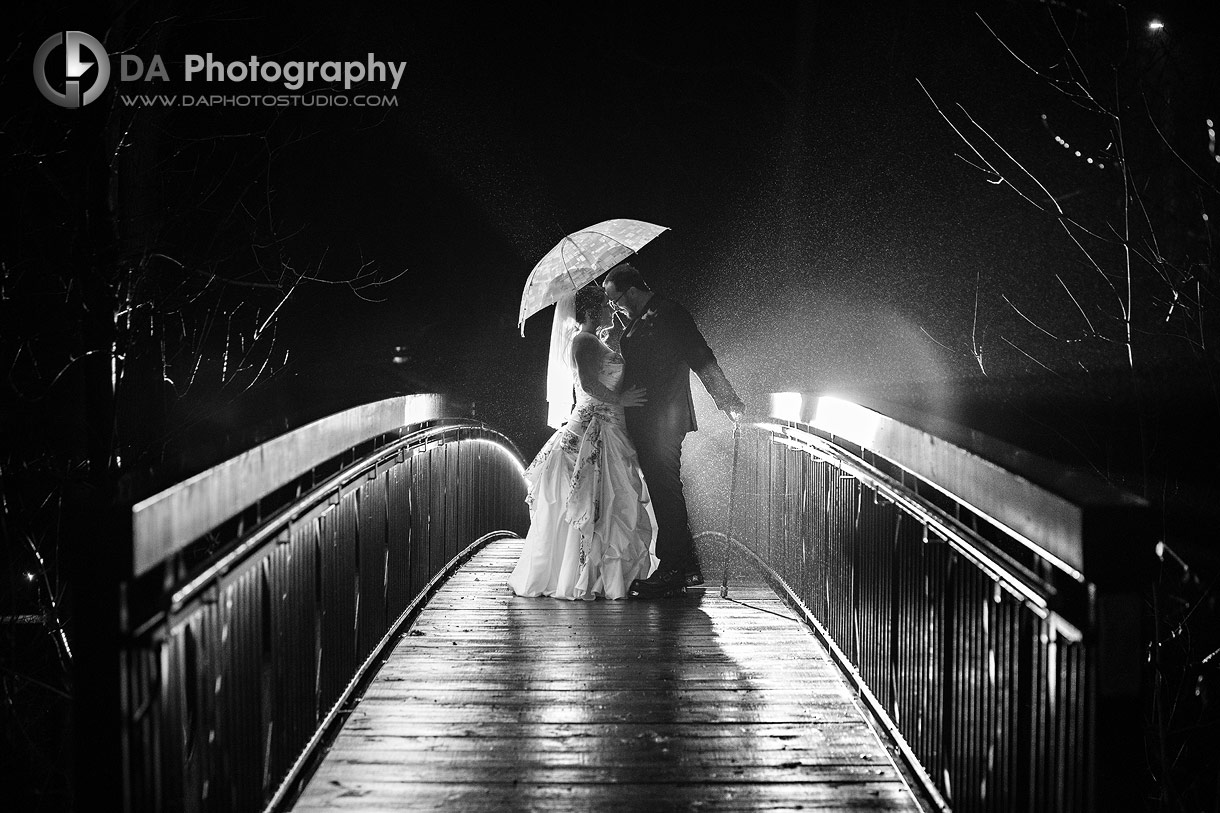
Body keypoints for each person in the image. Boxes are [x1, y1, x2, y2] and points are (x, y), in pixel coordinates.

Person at [602, 262, 745, 599]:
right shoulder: (641, 317)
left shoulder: (668, 312)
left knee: (666, 491)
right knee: (665, 489)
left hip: (663, 420)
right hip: (650, 420)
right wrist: (622, 332)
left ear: (632, 291)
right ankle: (688, 568)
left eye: (616, 300)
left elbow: (698, 353)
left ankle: (672, 569)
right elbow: (643, 355)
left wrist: (727, 399)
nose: (615, 307)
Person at [507, 284, 655, 600]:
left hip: (607, 427)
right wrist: (621, 399)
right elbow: (588, 384)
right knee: (601, 503)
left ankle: (598, 575)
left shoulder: (594, 340)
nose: (610, 309)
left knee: (608, 502)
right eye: (605, 305)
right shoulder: (584, 341)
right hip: (593, 428)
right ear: (590, 312)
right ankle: (591, 577)